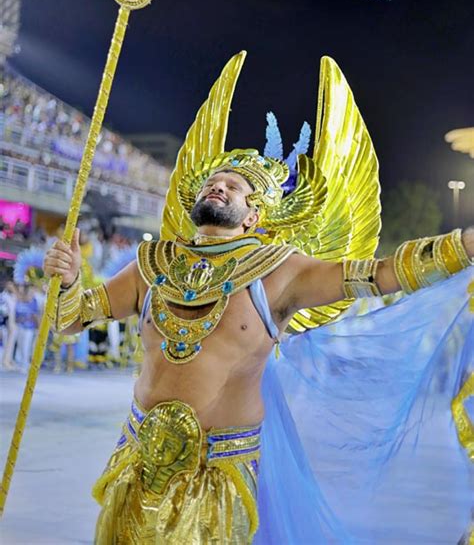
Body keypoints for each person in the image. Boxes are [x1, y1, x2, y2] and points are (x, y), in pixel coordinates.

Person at [43, 56, 473, 544]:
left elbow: (378, 275)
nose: (218, 185)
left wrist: (463, 247)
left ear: (253, 216)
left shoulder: (280, 269)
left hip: (218, 471)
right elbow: (70, 319)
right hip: (138, 459)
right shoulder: (150, 262)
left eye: (234, 186)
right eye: (212, 181)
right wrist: (68, 280)